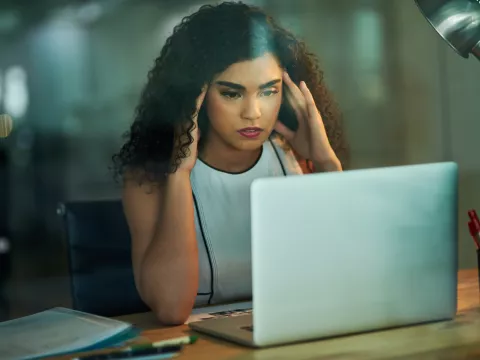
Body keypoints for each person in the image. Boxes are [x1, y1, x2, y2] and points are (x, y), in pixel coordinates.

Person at [112, 1, 348, 325]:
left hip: (292, 330)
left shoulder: (296, 159)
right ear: (196, 96)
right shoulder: (149, 178)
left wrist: (325, 162)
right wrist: (180, 173)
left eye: (268, 91)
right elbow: (171, 308)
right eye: (232, 94)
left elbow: (346, 279)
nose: (253, 112)